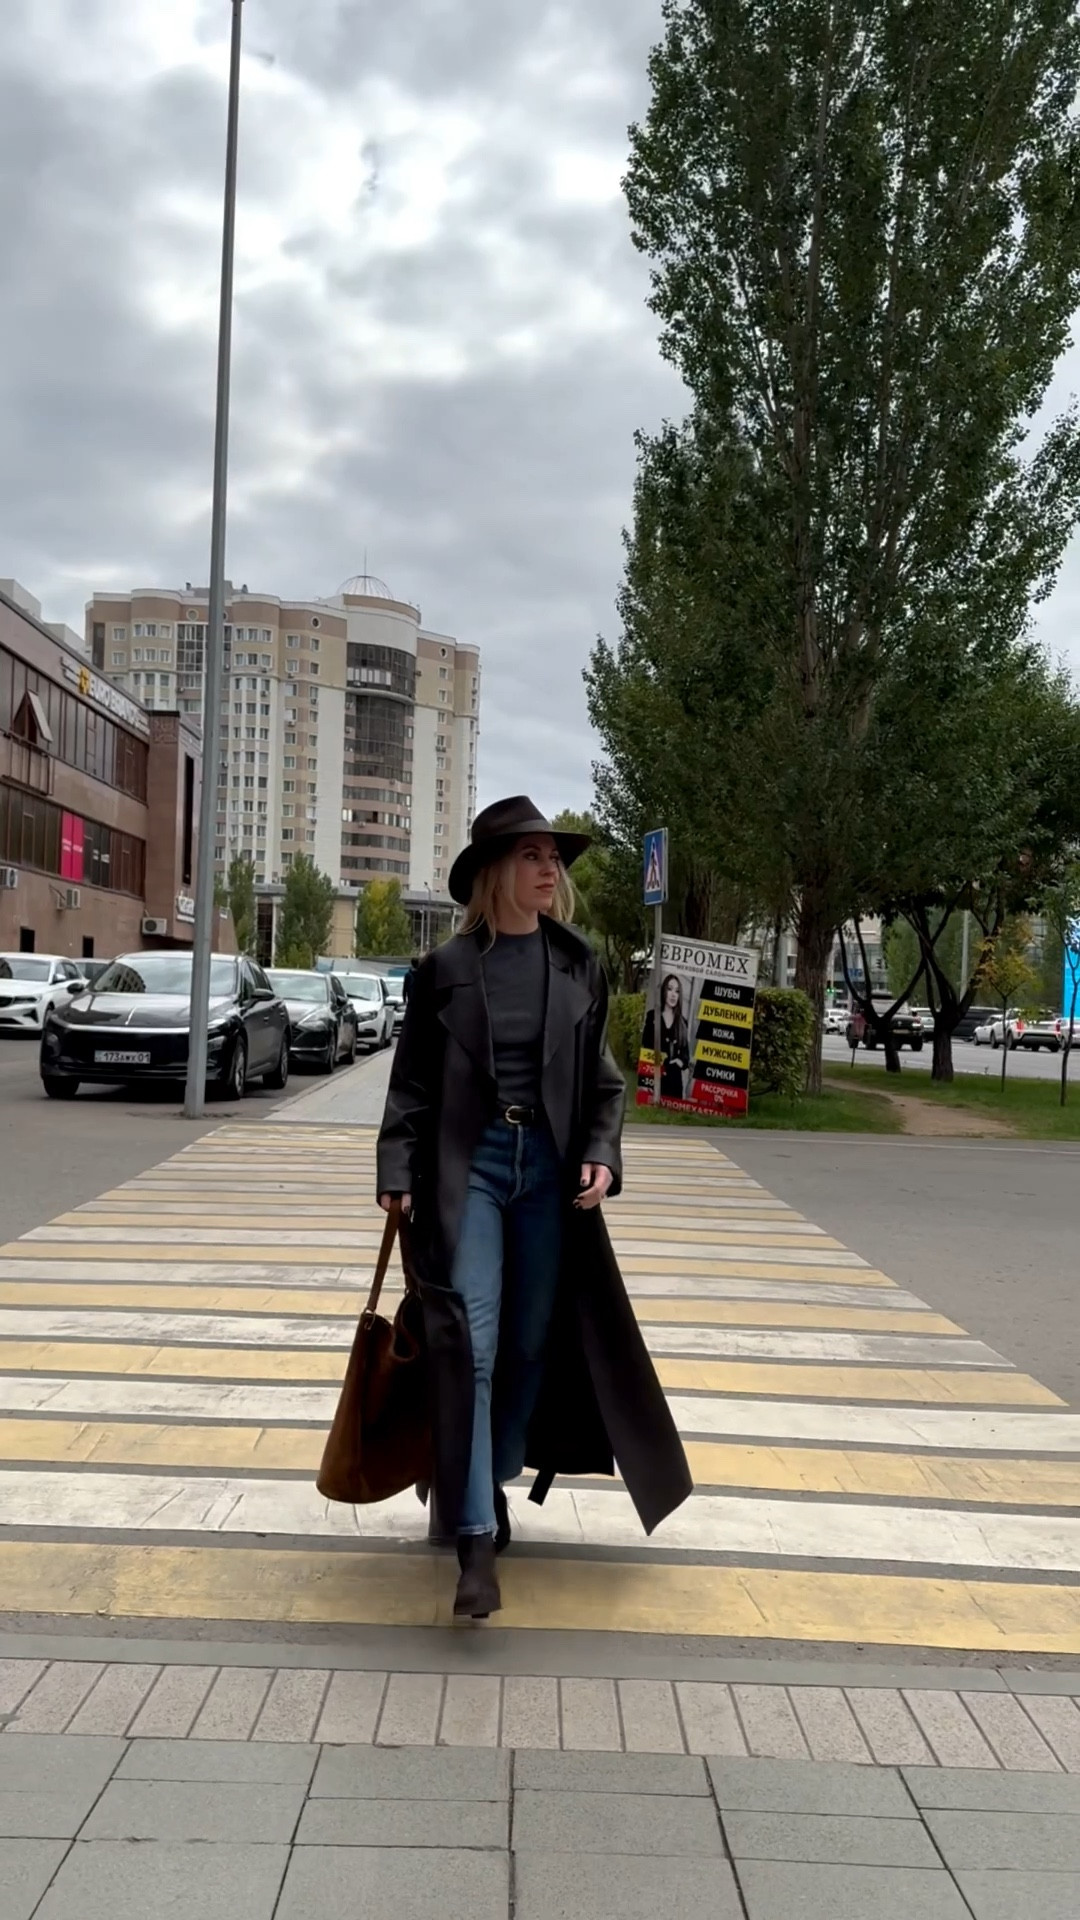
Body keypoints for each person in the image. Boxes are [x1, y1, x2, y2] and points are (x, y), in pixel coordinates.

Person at [377, 795, 691, 1620]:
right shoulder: (445, 970)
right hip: (471, 1170)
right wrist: (397, 1169)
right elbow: (410, 1087)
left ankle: (484, 1472)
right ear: (494, 871)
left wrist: (603, 1153)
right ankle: (475, 1543)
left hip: (548, 1174)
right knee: (473, 1345)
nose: (550, 869)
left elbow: (604, 1082)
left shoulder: (578, 963)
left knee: (527, 1345)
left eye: (554, 857)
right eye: (532, 855)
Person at [642, 973, 692, 1101]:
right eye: (670, 989)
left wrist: (680, 1062)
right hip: (655, 1078)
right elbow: (646, 1048)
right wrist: (646, 1081)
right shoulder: (652, 1017)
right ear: (664, 991)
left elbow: (686, 1055)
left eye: (677, 991)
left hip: (674, 1083)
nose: (673, 994)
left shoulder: (682, 1023)